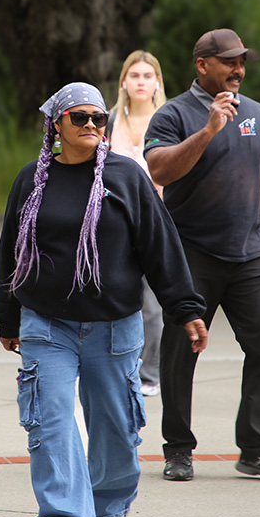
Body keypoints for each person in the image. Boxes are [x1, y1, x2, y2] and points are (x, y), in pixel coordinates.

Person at [0, 83, 208, 517]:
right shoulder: (32, 181)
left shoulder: (125, 176)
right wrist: (7, 314)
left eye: (98, 117)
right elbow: (11, 252)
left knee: (113, 427)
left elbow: (160, 246)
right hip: (46, 325)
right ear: (56, 125)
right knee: (49, 421)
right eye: (79, 117)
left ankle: (108, 503)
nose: (91, 124)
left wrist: (186, 309)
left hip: (113, 326)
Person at [143, 28, 260, 483]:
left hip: (250, 255)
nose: (238, 69)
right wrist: (209, 128)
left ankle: (255, 447)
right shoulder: (173, 114)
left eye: (242, 62)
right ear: (202, 65)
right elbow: (160, 169)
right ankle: (178, 450)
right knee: (178, 354)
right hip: (191, 255)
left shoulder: (259, 116)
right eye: (229, 61)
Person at [107, 50, 168, 397]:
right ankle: (118, 365)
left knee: (154, 307)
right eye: (135, 75)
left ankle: (150, 373)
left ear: (157, 81)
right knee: (119, 298)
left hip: (159, 223)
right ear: (124, 82)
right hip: (116, 225)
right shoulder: (109, 121)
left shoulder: (169, 119)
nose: (141, 81)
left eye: (147, 75)